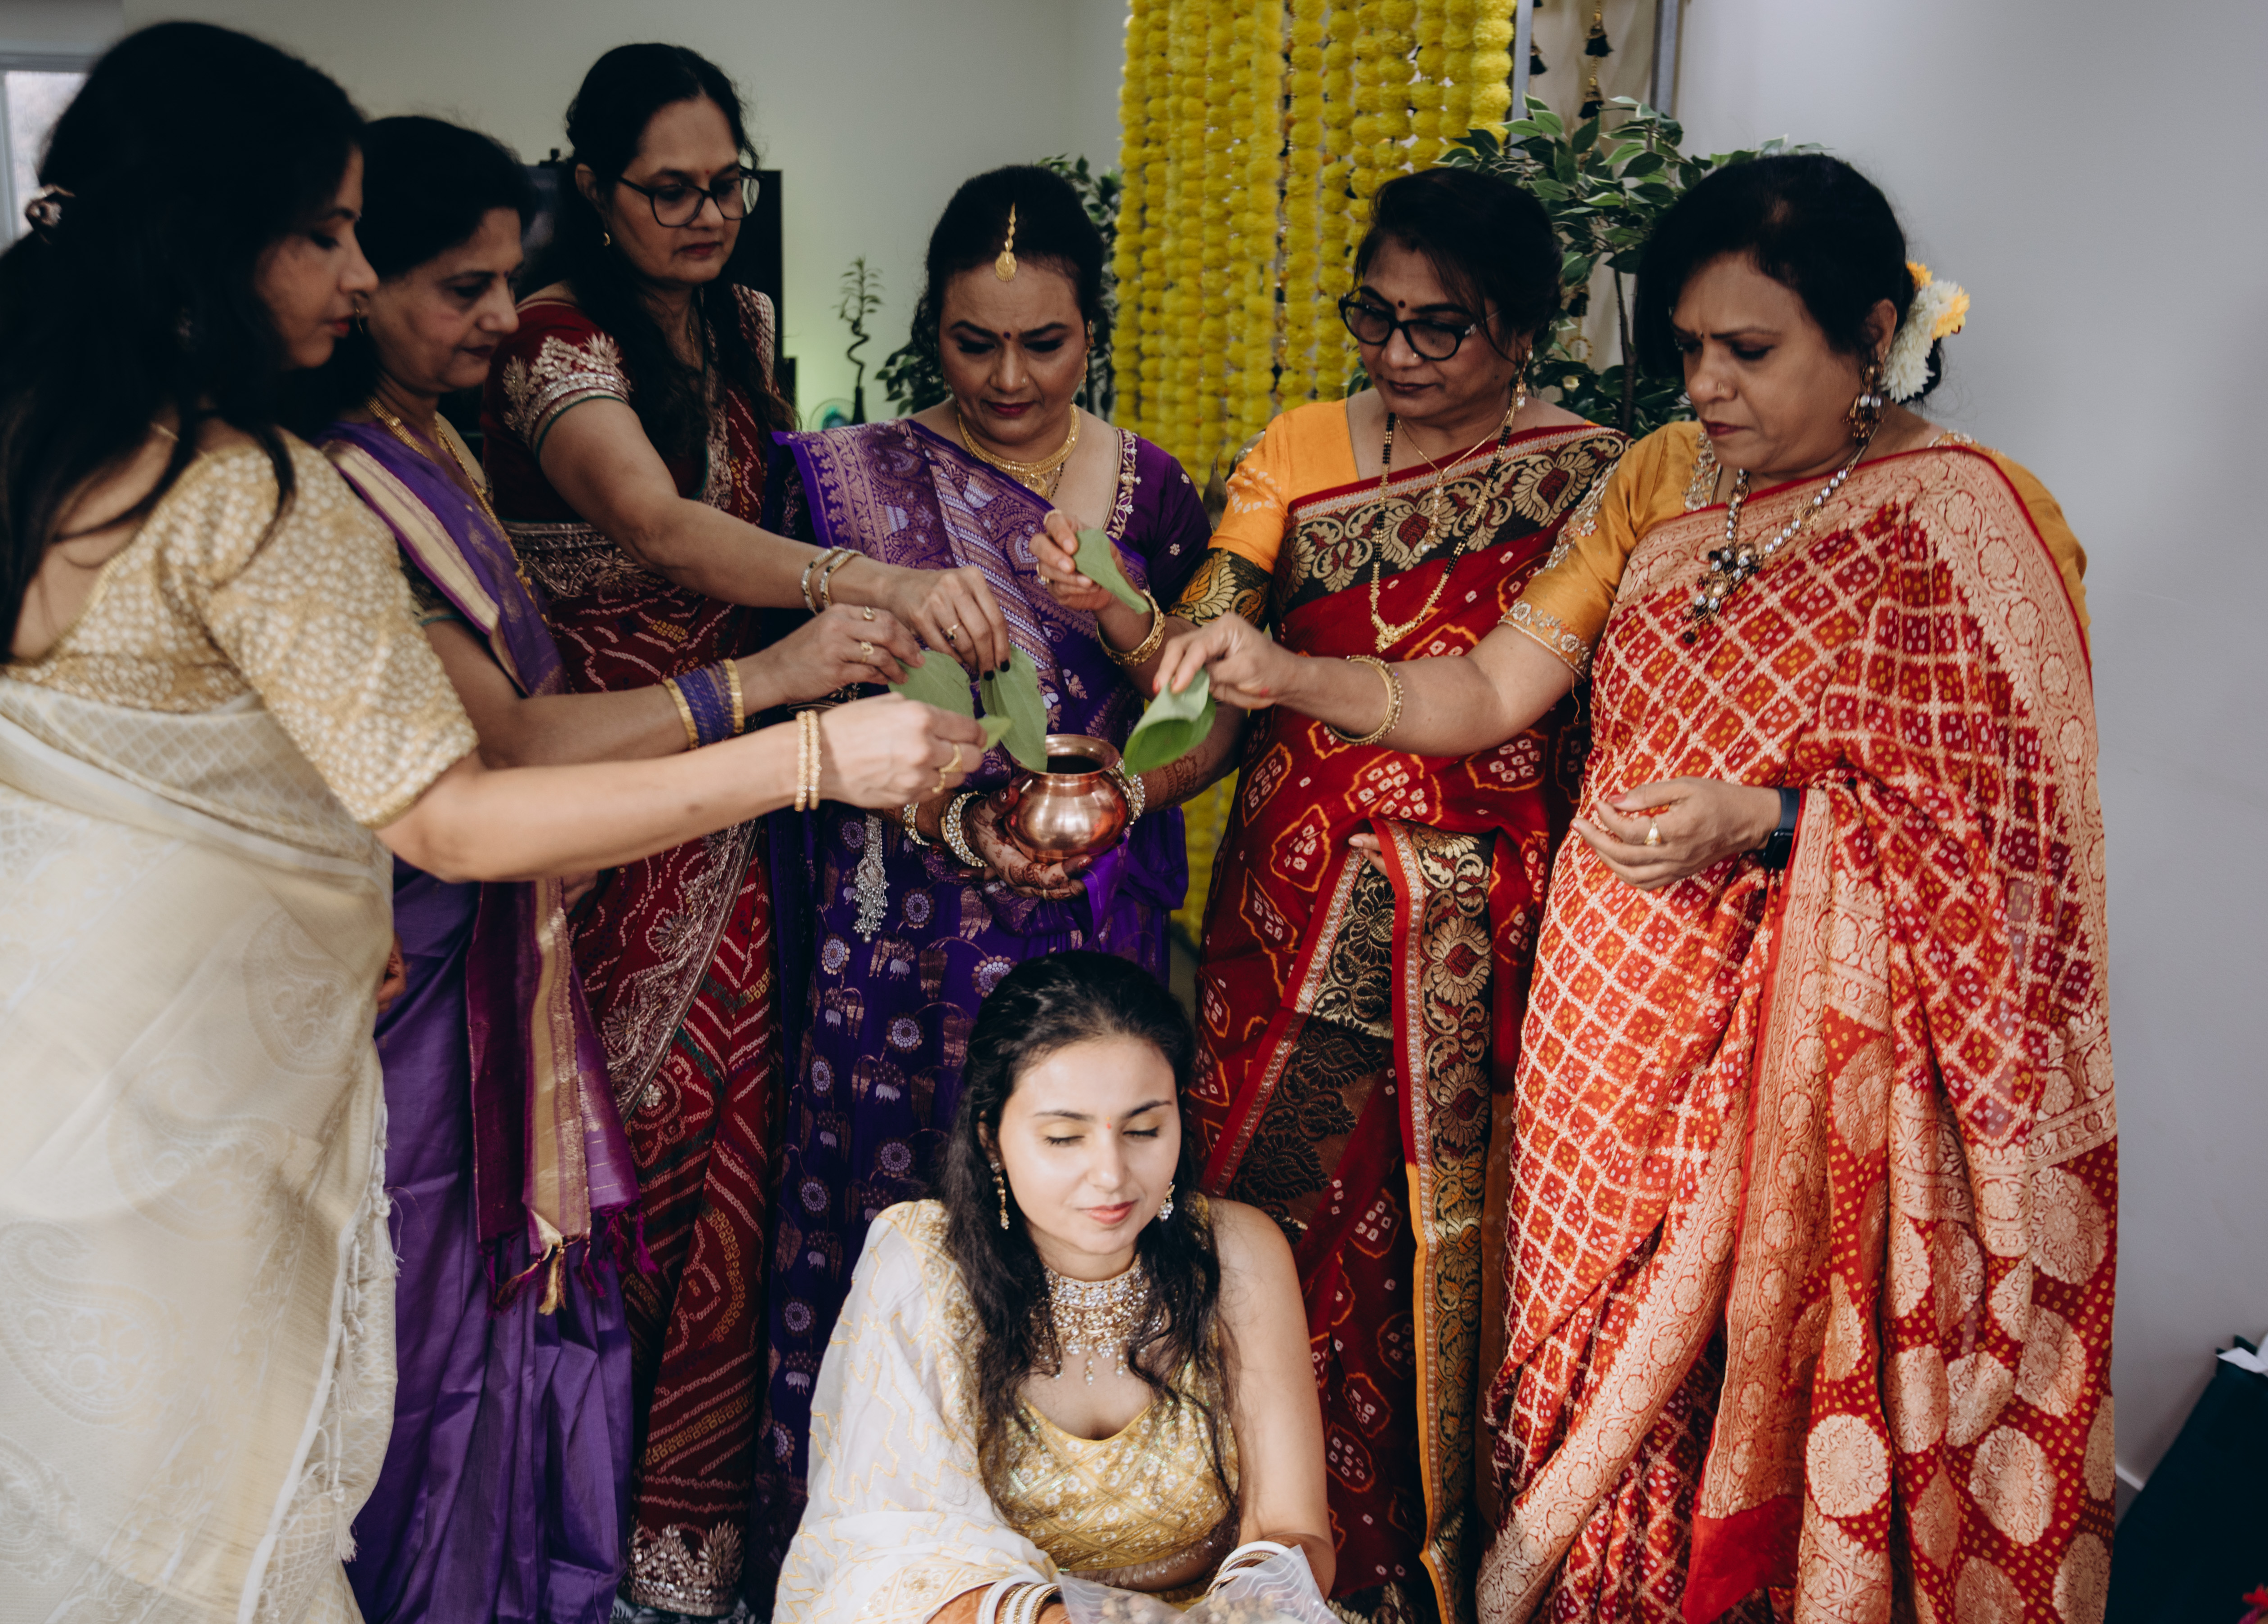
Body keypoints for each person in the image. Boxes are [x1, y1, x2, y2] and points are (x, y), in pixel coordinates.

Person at [0, 25, 976, 1617]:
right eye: (327, 234)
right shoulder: (251, 495)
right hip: (140, 1129)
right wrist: (811, 755)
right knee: (181, 1536)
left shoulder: (13, 441)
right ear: (214, 238)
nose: (358, 277)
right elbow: (456, 814)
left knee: (15, 1525)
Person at [1158, 155, 2110, 1624]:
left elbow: (2010, 839)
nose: (1707, 386)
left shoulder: (1972, 517)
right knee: (1579, 1380)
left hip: (1807, 1048)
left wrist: (1771, 818)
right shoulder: (1658, 477)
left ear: (1870, 335)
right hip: (1603, 1026)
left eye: (1749, 351)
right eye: (1686, 348)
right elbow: (1490, 689)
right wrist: (1288, 672)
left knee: (1740, 1374)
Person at [294, 111, 938, 1624]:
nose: (497, 320)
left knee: (553, 1278)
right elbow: (503, 744)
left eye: (727, 186)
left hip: (558, 875)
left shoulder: (431, 434)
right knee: (441, 1306)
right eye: (460, 287)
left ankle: (585, 1560)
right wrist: (783, 706)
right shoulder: (348, 471)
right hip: (458, 917)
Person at [1047, 166, 1622, 1624]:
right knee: (1258, 1214)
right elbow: (1202, 666)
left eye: (1440, 328)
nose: (1397, 354)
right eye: (1375, 316)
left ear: (1523, 331)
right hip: (1287, 918)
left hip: (1484, 937)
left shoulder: (1591, 477)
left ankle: (1418, 1558)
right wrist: (1118, 624)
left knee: (1448, 1241)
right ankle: (1240, 1532)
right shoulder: (1301, 446)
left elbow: (1536, 702)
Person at [482, 45, 1008, 1618]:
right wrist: (872, 589)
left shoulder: (741, 326)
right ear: (593, 188)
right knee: (615, 1156)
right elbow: (655, 524)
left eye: (727, 186)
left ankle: (685, 1536)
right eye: (670, 190)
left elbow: (781, 516)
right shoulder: (554, 338)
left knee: (736, 1143)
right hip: (618, 786)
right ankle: (562, 1524)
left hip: (756, 788)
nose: (706, 215)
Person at [751, 164, 1220, 1592]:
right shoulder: (837, 482)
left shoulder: (1150, 488)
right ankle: (889, 1566)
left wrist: (1120, 782)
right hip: (895, 938)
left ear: (1093, 333)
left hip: (1082, 933)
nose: (1009, 378)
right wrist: (949, 813)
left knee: (1082, 1206)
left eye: (1044, 343)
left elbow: (1208, 714)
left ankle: (1090, 1531)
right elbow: (800, 702)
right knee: (888, 1221)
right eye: (974, 342)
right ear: (928, 331)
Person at [774, 950, 1332, 1624]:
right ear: (991, 1140)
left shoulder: (1236, 1251)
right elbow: (889, 1555)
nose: (1111, 1174)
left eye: (1145, 1129)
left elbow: (1291, 1530)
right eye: (1065, 1138)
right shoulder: (924, 1262)